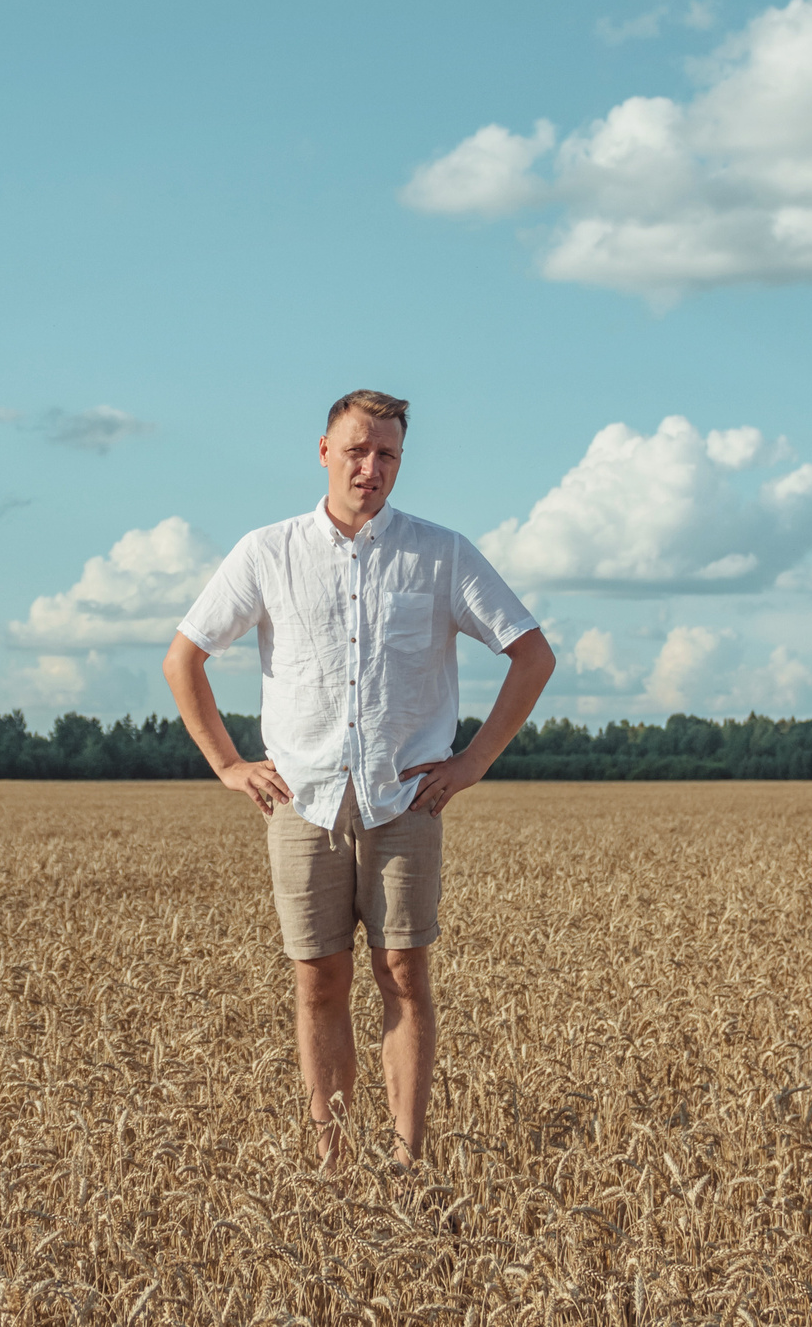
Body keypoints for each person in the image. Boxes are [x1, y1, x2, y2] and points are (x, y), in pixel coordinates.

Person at [162, 389, 555, 1169]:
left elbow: (532, 654)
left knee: (403, 970)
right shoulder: (266, 551)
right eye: (356, 450)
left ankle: (407, 1159)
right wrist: (228, 764)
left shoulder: (441, 554)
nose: (370, 468)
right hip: (301, 796)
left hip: (405, 794)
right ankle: (334, 1160)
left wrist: (473, 761)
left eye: (387, 455)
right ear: (322, 450)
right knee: (319, 976)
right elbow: (184, 657)